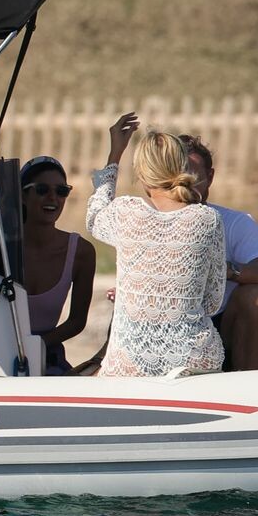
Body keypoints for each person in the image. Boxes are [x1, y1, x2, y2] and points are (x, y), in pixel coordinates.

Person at [85, 114, 226, 377]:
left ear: (141, 174)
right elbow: (212, 303)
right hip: (196, 358)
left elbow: (94, 219)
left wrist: (115, 155)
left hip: (132, 360)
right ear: (182, 167)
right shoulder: (208, 219)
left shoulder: (126, 212)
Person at [178, 134, 258, 371]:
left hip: (221, 322)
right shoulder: (150, 220)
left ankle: (246, 381)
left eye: (193, 177)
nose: (186, 185)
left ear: (210, 177)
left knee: (254, 296)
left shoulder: (235, 222)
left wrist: (225, 270)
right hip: (171, 324)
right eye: (179, 177)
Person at [18, 156, 97, 375]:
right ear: (22, 195)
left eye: (61, 191)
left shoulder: (81, 252)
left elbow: (77, 321)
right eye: (42, 189)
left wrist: (37, 345)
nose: (53, 198)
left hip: (47, 359)